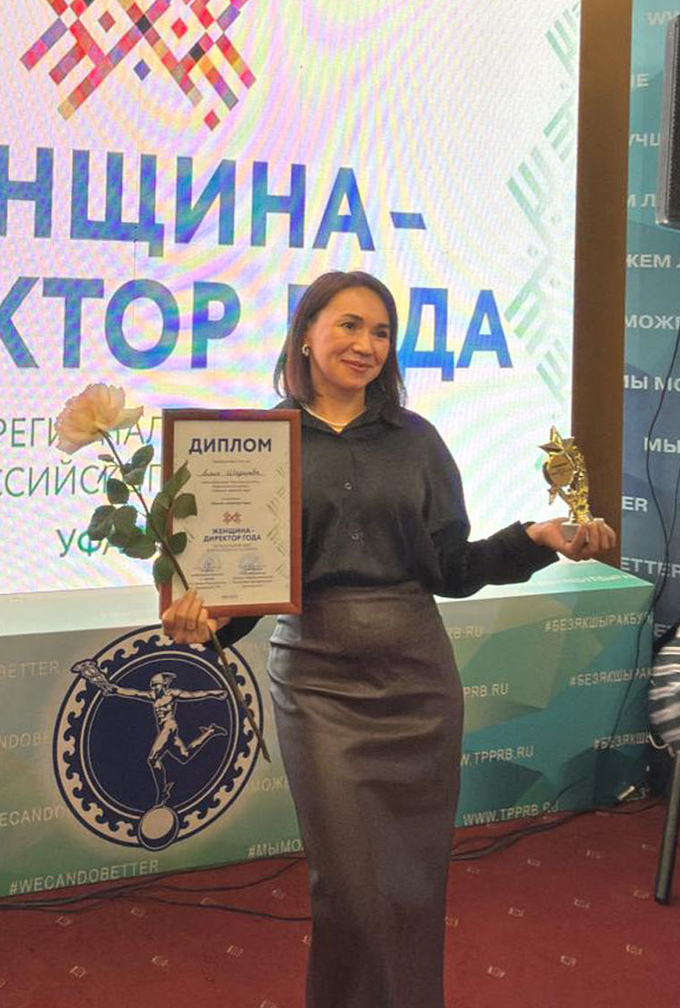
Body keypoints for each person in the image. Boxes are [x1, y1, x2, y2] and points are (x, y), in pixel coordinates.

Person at [159, 270, 615, 1008]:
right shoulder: (253, 445)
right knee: (349, 887)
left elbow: (453, 568)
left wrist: (537, 537)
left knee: (411, 886)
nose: (365, 345)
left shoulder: (417, 440)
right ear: (306, 334)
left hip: (418, 684)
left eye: (380, 332)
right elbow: (248, 587)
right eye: (348, 325)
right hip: (319, 686)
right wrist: (205, 620)